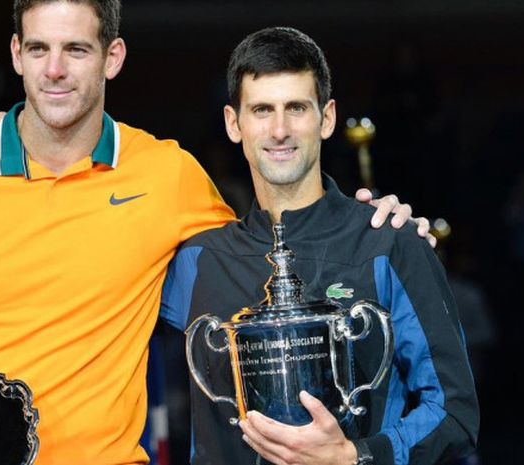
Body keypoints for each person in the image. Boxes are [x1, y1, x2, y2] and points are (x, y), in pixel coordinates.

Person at [0, 2, 429, 465]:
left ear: (113, 56)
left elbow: (273, 259)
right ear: (16, 56)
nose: (55, 70)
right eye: (39, 49)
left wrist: (374, 227)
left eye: (76, 49)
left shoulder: (167, 175)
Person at [160, 27, 479, 465]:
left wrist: (356, 457)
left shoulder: (390, 244)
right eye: (261, 110)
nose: (279, 130)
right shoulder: (196, 262)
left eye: (296, 108)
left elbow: (454, 414)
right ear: (234, 124)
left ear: (326, 118)